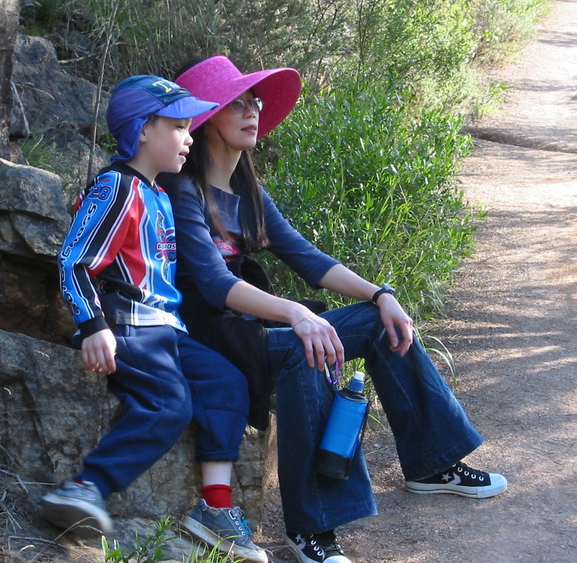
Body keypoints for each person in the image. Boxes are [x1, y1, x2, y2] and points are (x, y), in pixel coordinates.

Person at [159, 56, 508, 563]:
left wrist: (379, 293)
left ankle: (432, 464)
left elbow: (308, 259)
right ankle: (311, 528)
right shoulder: (180, 189)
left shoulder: (248, 191)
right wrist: (297, 315)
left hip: (249, 326)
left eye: (255, 100)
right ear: (208, 116)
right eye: (237, 102)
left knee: (374, 322)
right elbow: (212, 285)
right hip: (209, 338)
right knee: (307, 346)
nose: (252, 110)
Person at [41, 74, 268, 563]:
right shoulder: (116, 187)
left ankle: (215, 508)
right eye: (180, 126)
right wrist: (92, 325)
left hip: (169, 331)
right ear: (143, 129)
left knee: (229, 384)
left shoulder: (160, 194)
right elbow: (74, 260)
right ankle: (85, 487)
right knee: (170, 405)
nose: (190, 137)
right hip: (129, 327)